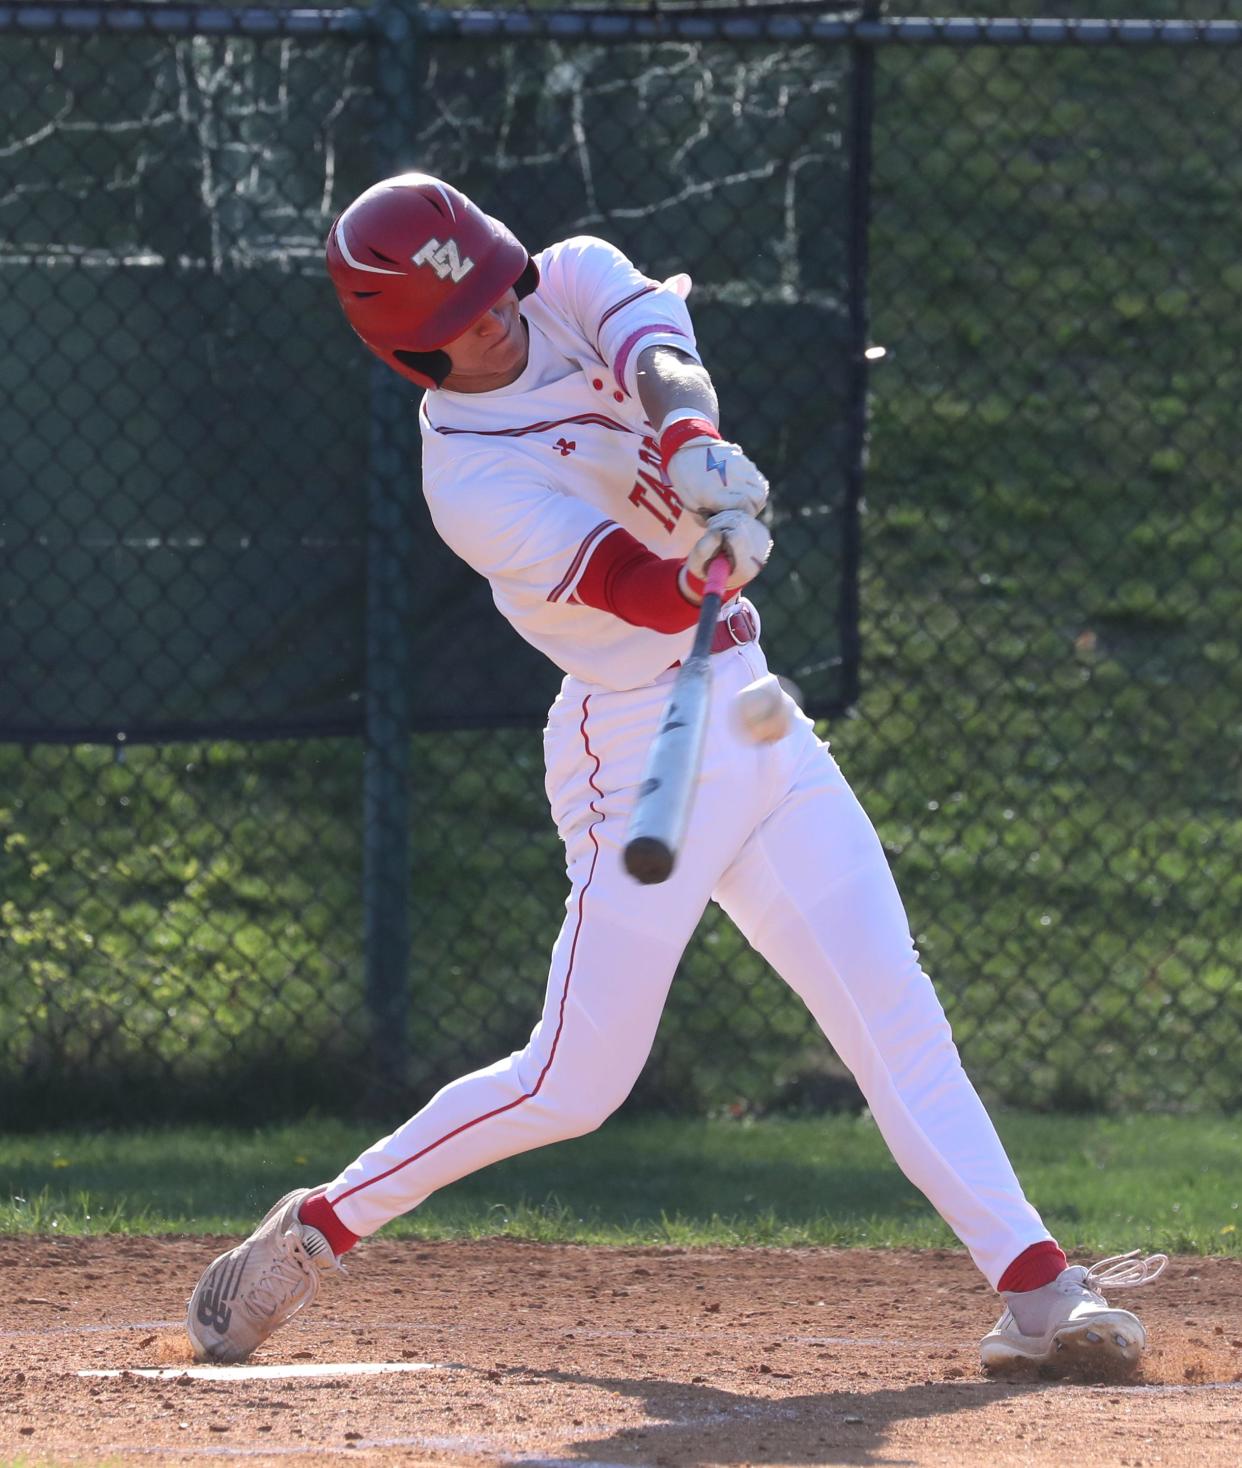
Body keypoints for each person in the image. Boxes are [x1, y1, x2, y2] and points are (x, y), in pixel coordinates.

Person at [186, 173, 1165, 1371]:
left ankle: (1037, 1293)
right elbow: (628, 590)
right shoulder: (468, 481)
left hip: (754, 717)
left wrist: (697, 450)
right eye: (460, 319)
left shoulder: (576, 275)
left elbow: (661, 357)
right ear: (410, 354)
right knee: (571, 1079)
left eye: (493, 288)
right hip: (640, 741)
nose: (495, 318)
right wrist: (708, 565)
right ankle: (314, 1229)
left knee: (892, 1011)